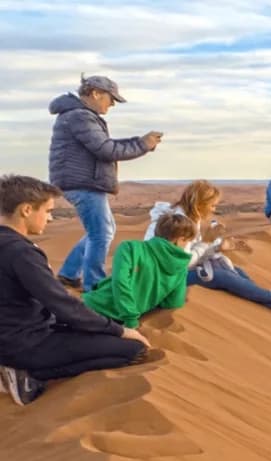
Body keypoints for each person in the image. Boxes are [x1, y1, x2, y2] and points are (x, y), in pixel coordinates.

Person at [0, 175, 150, 407]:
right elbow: (62, 304)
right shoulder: (21, 253)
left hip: (17, 334)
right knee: (132, 350)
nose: (50, 218)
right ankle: (29, 373)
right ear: (26, 210)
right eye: (48, 211)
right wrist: (119, 330)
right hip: (24, 344)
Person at [49, 74, 164, 291]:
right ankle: (94, 285)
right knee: (101, 233)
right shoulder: (80, 116)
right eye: (111, 98)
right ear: (95, 93)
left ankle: (69, 273)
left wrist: (141, 142)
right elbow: (106, 150)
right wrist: (143, 145)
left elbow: (105, 145)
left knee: (103, 230)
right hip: (82, 184)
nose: (112, 104)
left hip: (82, 182)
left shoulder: (78, 115)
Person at [145, 180, 271, 319]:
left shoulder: (190, 218)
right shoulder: (178, 222)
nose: (214, 209)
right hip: (162, 280)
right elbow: (182, 262)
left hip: (173, 273)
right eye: (212, 205)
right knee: (219, 275)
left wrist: (217, 246)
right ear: (199, 204)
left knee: (236, 271)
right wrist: (208, 242)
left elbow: (190, 252)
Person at [82, 212, 197, 330]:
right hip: (115, 320)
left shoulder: (129, 247)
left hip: (94, 309)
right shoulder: (181, 268)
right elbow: (173, 303)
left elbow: (120, 282)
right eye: (188, 241)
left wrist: (130, 319)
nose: (186, 245)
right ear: (180, 240)